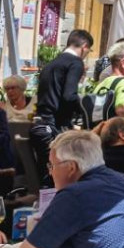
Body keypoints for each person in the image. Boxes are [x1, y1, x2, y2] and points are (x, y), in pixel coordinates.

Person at [32, 28, 93, 186]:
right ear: (84, 46)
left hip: (39, 125)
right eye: (88, 51)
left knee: (47, 178)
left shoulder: (52, 64)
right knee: (63, 178)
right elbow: (69, 96)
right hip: (53, 128)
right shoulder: (75, 63)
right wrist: (87, 110)